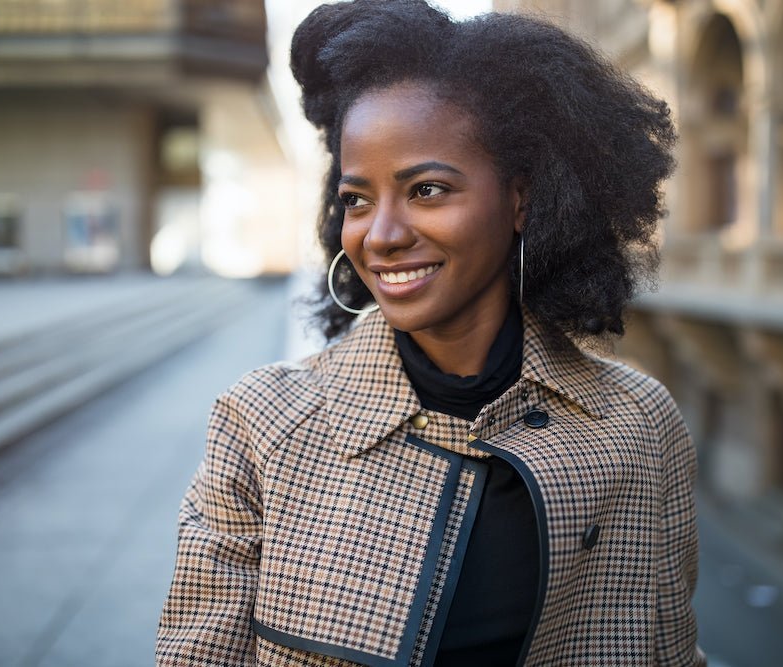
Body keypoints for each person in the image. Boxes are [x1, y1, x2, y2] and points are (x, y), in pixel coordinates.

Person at [156, 1, 705, 665]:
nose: (380, 234)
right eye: (357, 199)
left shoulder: (641, 428)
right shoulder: (262, 423)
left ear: (522, 198)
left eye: (427, 190)